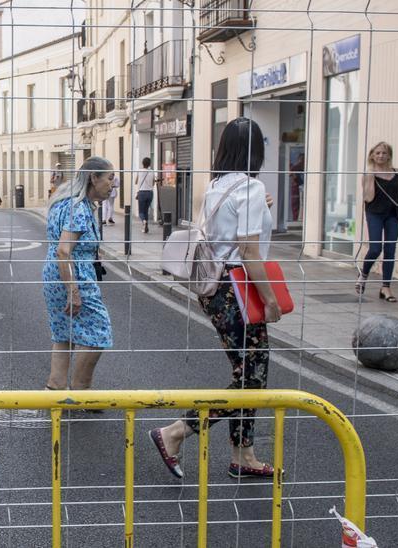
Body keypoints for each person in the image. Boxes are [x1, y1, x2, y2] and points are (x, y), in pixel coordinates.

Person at [149, 118, 282, 480]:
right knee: (251, 380)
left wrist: (262, 203)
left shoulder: (217, 186)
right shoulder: (250, 187)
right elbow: (249, 250)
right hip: (238, 290)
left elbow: (225, 232)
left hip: (216, 290)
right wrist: (270, 299)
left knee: (247, 375)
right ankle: (175, 432)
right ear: (256, 151)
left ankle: (244, 453)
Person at [43, 156, 116, 394]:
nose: (112, 185)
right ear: (94, 178)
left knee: (64, 332)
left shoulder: (64, 202)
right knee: (99, 329)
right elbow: (64, 251)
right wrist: (73, 291)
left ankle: (56, 386)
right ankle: (81, 389)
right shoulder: (80, 209)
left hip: (53, 275)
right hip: (74, 275)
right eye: (110, 178)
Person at [357, 142, 398, 303]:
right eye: (377, 153)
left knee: (390, 250)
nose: (381, 156)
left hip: (393, 215)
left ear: (389, 156)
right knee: (375, 248)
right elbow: (368, 198)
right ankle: (363, 274)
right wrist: (371, 176)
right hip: (375, 214)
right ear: (372, 155)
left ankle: (386, 287)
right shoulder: (368, 173)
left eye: (384, 153)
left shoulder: (396, 172)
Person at [134, 157, 156, 233]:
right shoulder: (152, 171)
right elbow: (153, 183)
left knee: (141, 212)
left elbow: (136, 182)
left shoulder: (139, 171)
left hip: (142, 193)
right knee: (146, 211)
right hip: (150, 193)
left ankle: (144, 221)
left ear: (142, 163)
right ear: (149, 164)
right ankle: (146, 228)